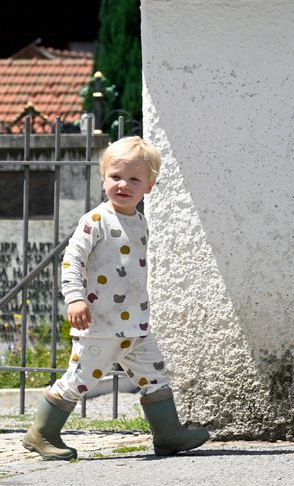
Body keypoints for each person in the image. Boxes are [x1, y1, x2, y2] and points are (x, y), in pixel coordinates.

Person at [22, 136, 209, 460]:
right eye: (116, 176)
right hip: (101, 324)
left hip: (136, 324)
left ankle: (168, 435)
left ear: (149, 186)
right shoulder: (95, 220)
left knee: (155, 376)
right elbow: (71, 261)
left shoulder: (140, 221)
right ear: (104, 178)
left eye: (134, 179)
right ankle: (42, 432)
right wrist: (75, 298)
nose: (124, 184)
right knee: (79, 380)